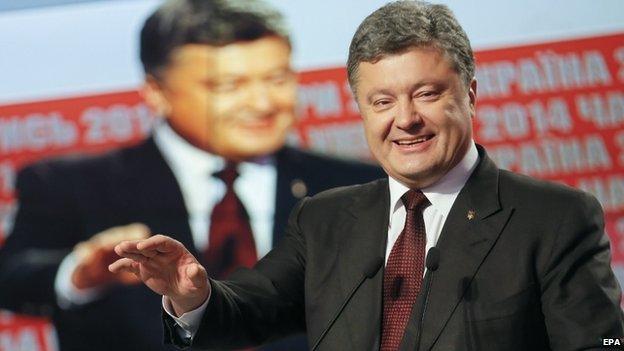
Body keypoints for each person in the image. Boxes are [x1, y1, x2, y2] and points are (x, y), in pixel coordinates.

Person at [110, 1, 624, 350]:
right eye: (382, 101)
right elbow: (249, 308)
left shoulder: (552, 218)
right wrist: (192, 295)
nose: (404, 119)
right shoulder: (325, 218)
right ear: (361, 110)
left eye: (426, 94)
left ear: (468, 95)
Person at [0, 1, 383, 350]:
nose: (264, 103)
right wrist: (78, 273)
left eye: (277, 78)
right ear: (156, 91)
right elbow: (11, 279)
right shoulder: (72, 185)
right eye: (229, 86)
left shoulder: (355, 186)